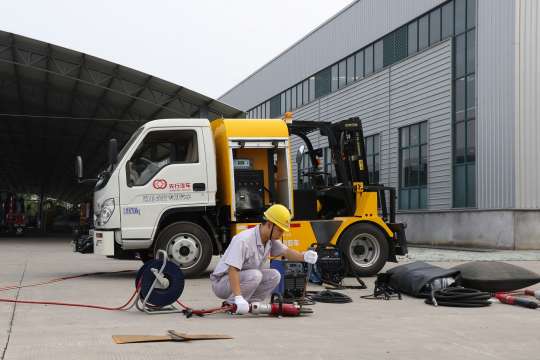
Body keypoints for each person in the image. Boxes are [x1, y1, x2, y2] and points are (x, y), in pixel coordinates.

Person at [210, 204, 318, 314]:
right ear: (270, 225)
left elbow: (286, 252)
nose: (281, 234)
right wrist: (238, 297)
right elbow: (232, 270)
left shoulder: (269, 240)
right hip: (222, 282)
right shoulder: (244, 240)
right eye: (280, 230)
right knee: (256, 275)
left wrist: (304, 256)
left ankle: (252, 305)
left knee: (274, 275)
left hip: (242, 277)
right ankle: (232, 304)